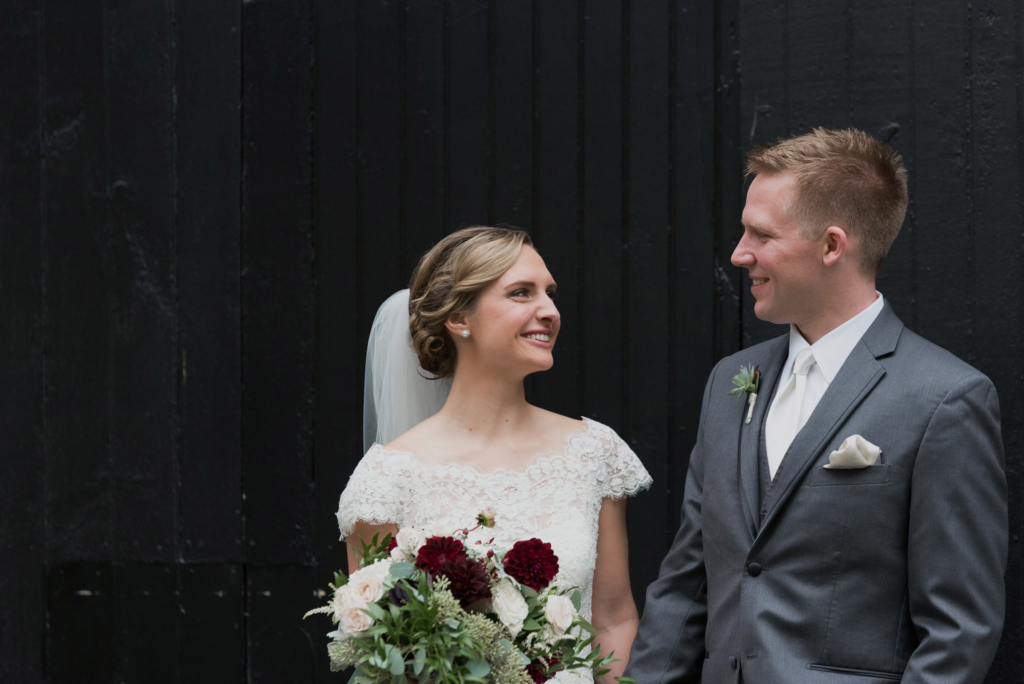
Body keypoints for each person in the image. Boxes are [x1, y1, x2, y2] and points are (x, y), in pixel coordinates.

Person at [625, 128, 1008, 683]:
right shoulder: (731, 382)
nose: (739, 254)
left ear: (832, 246)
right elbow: (688, 582)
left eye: (761, 234)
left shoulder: (944, 400)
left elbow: (959, 632)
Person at [337, 226, 652, 683]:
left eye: (550, 292)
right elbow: (380, 655)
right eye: (522, 293)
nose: (550, 310)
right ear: (459, 318)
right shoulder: (387, 480)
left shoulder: (593, 452)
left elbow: (613, 619)